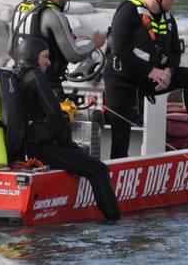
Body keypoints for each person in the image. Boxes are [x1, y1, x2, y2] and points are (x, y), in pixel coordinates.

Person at [103, 0, 188, 159]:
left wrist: (168, 71)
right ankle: (116, 177)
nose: (174, 0)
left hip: (147, 79)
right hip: (121, 80)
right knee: (121, 134)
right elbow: (120, 50)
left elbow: (175, 52)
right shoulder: (128, 11)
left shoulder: (168, 20)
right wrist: (152, 70)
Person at [14, 37, 120, 222]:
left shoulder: (16, 75)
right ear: (33, 57)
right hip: (40, 150)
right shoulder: (36, 76)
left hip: (22, 149)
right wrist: (66, 143)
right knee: (99, 170)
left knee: (80, 157)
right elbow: (54, 113)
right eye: (45, 57)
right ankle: (114, 223)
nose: (48, 62)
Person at [10, 0, 106, 99]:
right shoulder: (53, 14)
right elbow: (74, 55)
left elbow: (11, 50)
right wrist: (95, 43)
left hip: (19, 84)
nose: (67, 1)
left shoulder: (21, 8)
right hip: (46, 87)